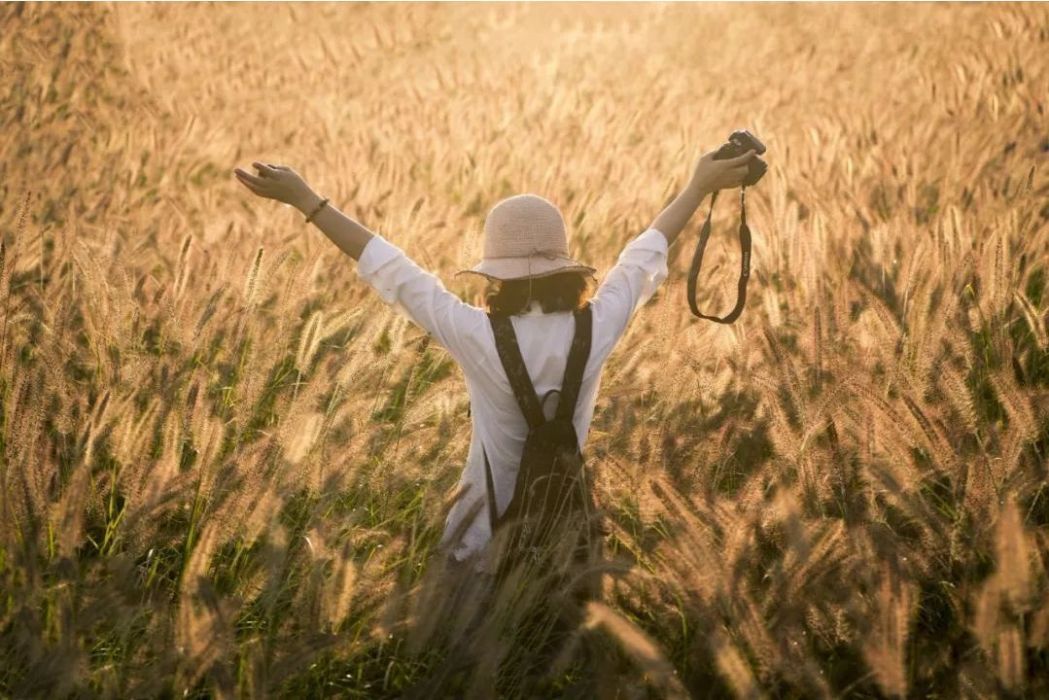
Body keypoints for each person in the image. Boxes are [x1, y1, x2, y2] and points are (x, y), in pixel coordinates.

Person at [233, 146, 757, 569]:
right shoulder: (596, 326)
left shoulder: (475, 334)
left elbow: (392, 268)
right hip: (564, 542)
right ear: (566, 269)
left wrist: (308, 201)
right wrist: (698, 186)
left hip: (478, 541)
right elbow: (642, 256)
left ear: (495, 275)